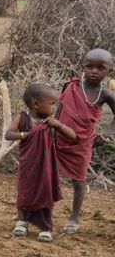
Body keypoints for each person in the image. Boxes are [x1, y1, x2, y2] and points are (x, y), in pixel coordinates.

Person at [54, 49, 115, 233]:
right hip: (58, 138)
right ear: (83, 67)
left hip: (82, 143)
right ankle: (35, 209)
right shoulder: (71, 86)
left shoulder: (105, 94)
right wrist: (51, 129)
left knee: (78, 180)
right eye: (89, 67)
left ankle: (74, 217)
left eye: (100, 68)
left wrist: (107, 134)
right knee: (47, 174)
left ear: (109, 71)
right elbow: (60, 109)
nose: (94, 71)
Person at [6, 84, 76, 242]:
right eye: (52, 104)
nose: (54, 107)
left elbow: (72, 136)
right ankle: (22, 221)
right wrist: (26, 134)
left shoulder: (50, 122)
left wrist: (58, 125)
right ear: (36, 104)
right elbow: (9, 134)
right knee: (24, 192)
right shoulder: (23, 118)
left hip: (46, 167)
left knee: (45, 193)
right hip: (27, 165)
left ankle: (45, 227)